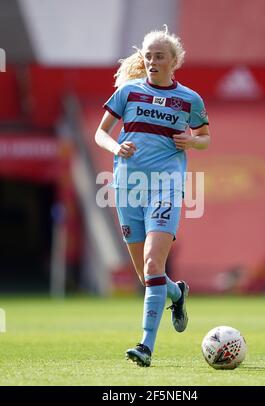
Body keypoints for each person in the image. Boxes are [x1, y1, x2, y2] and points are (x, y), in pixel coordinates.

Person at [95, 25, 210, 367]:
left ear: (174, 61)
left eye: (160, 56)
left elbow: (205, 137)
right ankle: (177, 292)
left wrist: (192, 141)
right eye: (148, 56)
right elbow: (100, 134)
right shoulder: (128, 93)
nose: (152, 61)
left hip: (165, 187)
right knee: (148, 279)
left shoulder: (189, 99)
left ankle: (145, 345)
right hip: (127, 187)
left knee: (152, 264)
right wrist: (118, 146)